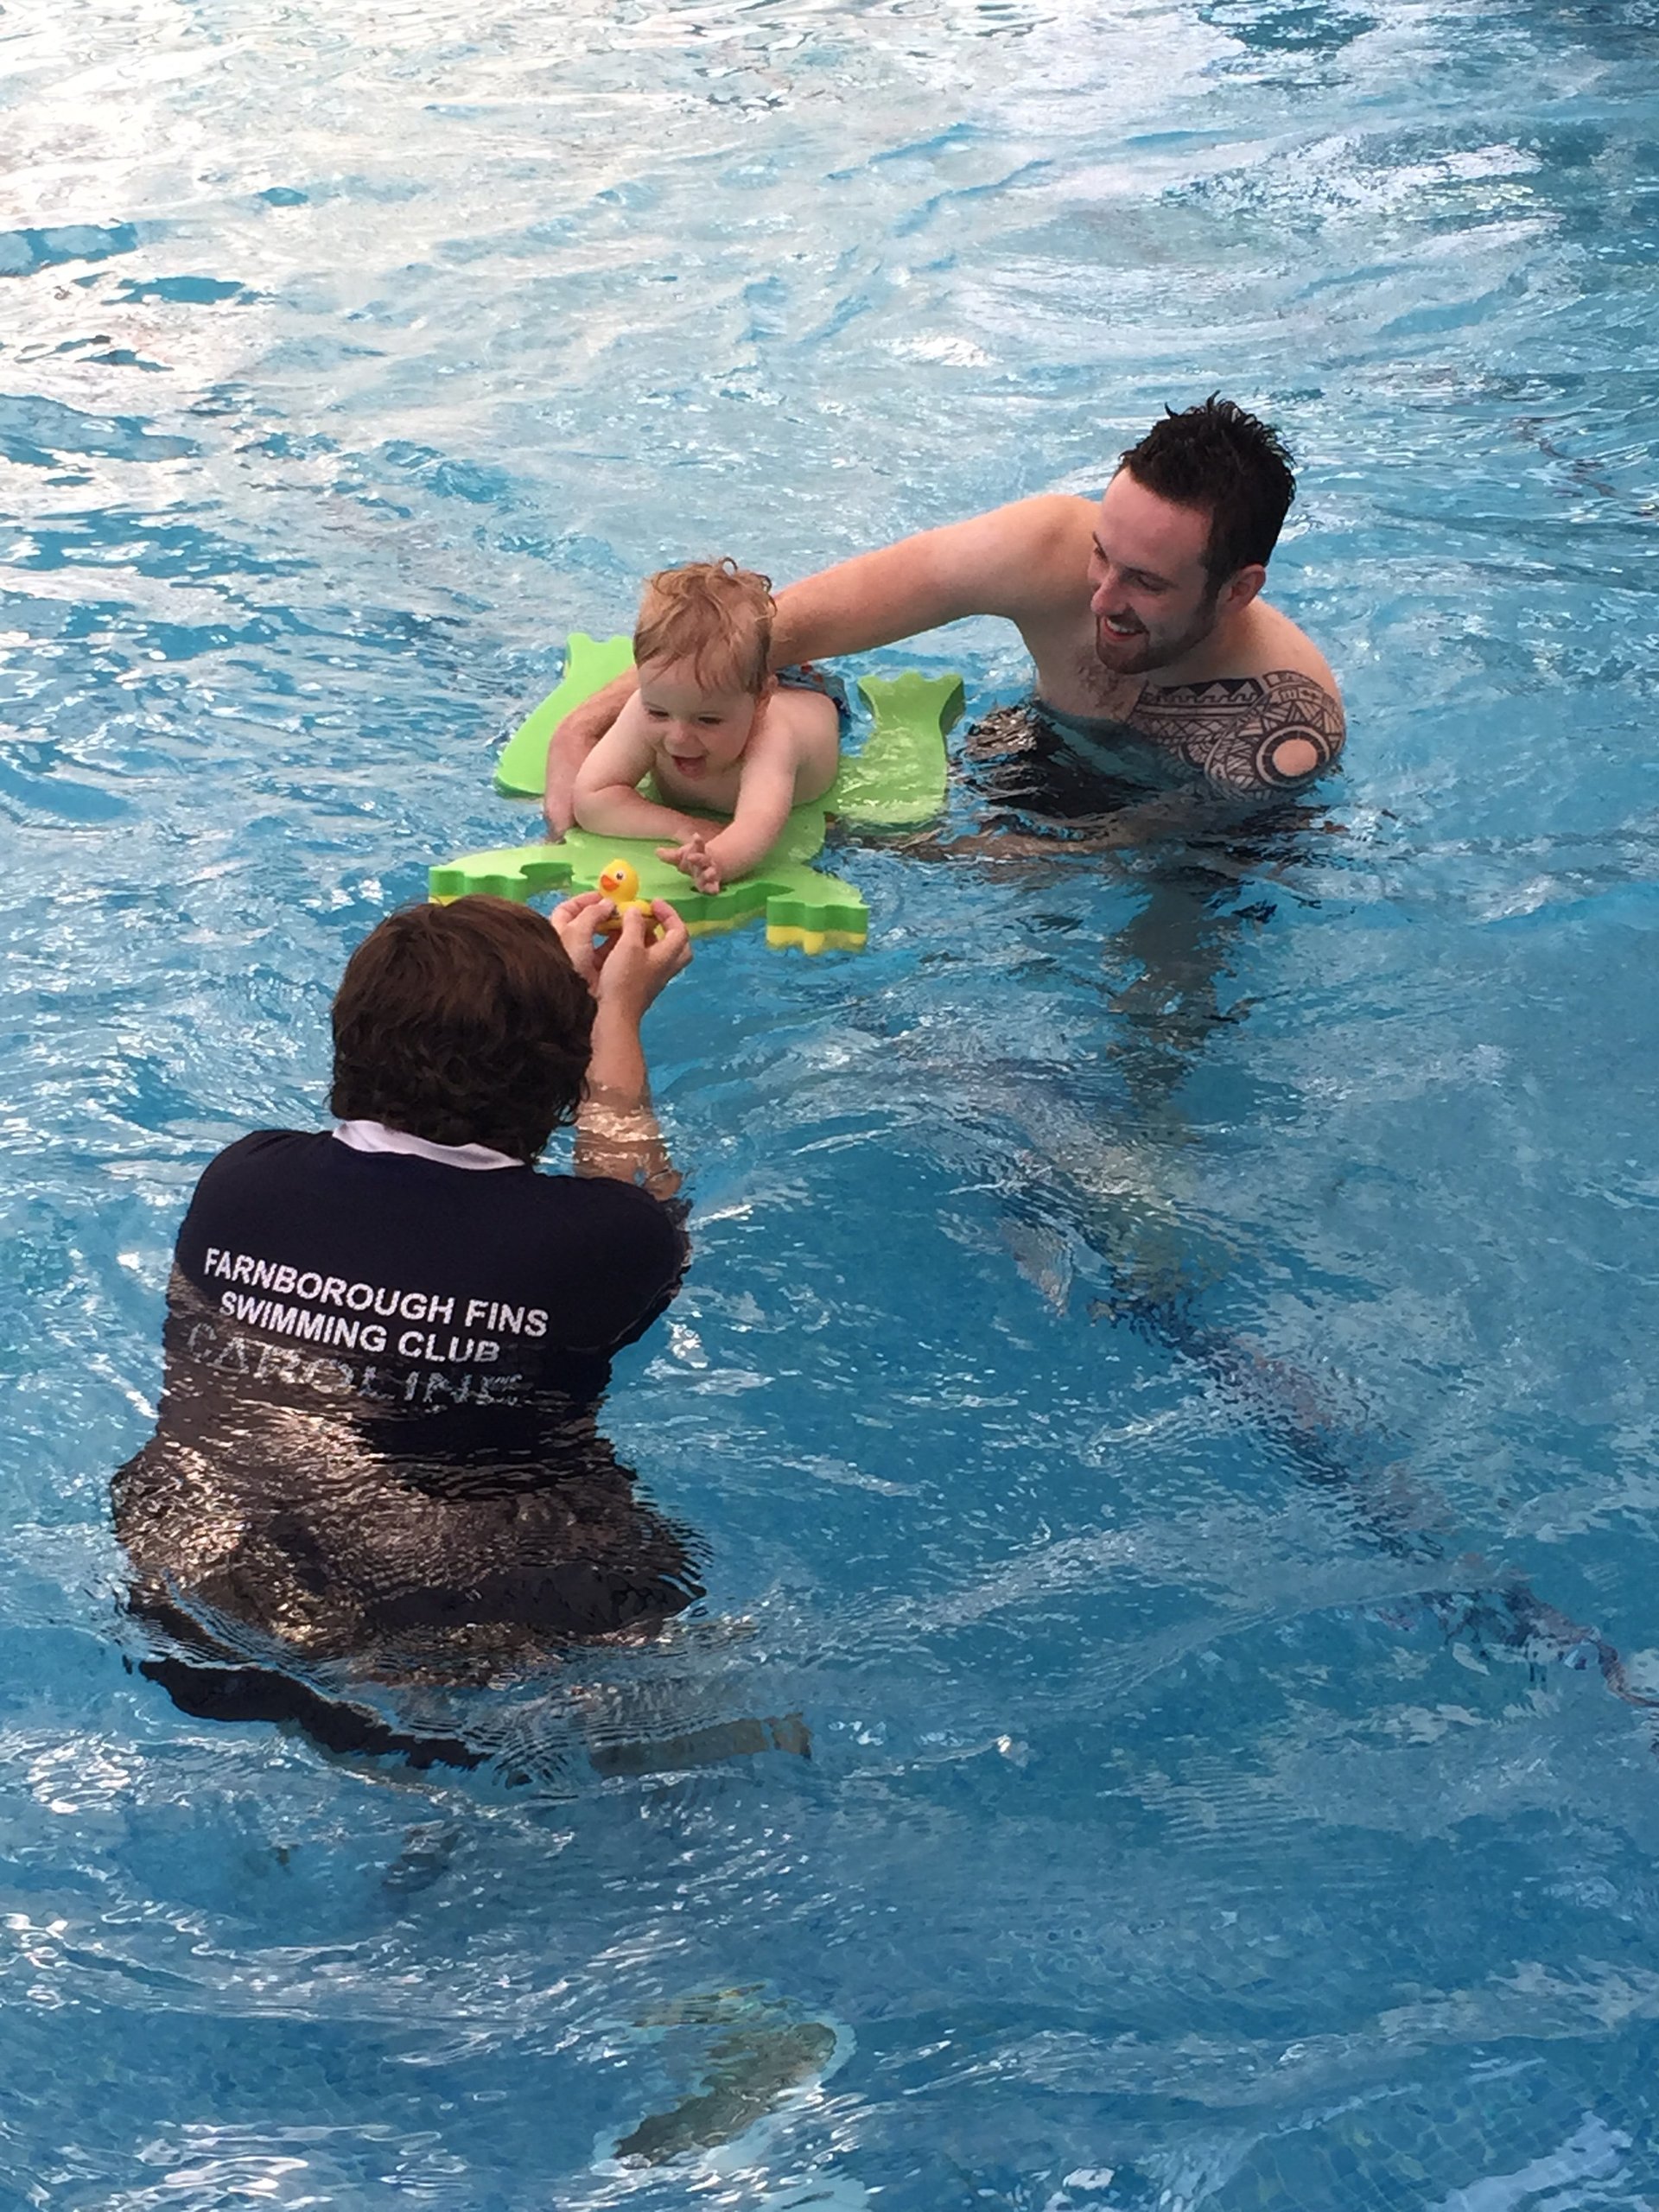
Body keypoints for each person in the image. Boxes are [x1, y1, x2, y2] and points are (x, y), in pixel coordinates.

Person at [112, 890, 701, 1713]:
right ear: (561, 1075)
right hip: (478, 1609)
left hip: (202, 1583)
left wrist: (552, 1006)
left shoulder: (242, 1181)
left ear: (345, 1037)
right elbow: (641, 1196)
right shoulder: (594, 1240)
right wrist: (613, 1018)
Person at [544, 398, 1344, 834]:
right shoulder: (1044, 549)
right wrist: (594, 719)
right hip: (1031, 743)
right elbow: (791, 623)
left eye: (1146, 583)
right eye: (1102, 553)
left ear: (1238, 589)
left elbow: (1159, 893)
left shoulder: (1274, 737)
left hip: (1164, 824)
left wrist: (948, 856)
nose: (1100, 596)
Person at [569, 557, 846, 891]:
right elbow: (591, 799)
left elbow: (757, 824)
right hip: (734, 686)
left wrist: (716, 860)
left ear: (760, 702)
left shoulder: (773, 739)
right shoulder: (645, 709)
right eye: (659, 713)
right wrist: (681, 827)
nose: (678, 739)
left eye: (708, 721)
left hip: (804, 690)